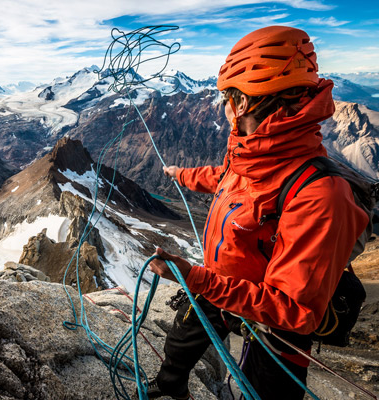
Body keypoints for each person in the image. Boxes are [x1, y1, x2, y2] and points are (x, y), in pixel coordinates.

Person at [147, 25, 369, 400]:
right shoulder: (258, 154)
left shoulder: (322, 195)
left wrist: (198, 280)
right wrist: (181, 175)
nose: (224, 108)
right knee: (180, 341)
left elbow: (295, 312)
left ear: (244, 104)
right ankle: (169, 386)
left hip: (272, 323)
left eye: (226, 99)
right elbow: (227, 178)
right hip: (223, 284)